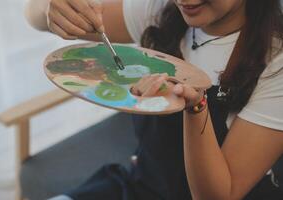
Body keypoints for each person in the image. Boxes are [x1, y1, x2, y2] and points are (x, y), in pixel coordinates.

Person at [25, 0, 283, 199]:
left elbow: (217, 195)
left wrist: (196, 108)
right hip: (143, 187)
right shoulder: (159, 10)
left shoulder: (276, 62)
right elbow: (34, 14)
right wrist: (50, 8)